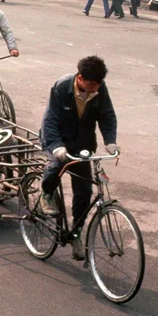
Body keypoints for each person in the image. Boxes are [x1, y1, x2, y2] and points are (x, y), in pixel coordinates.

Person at [39, 55, 119, 260]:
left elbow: (107, 115)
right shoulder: (62, 87)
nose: (95, 88)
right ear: (80, 78)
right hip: (57, 140)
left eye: (98, 84)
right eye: (92, 83)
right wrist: (57, 146)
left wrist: (110, 141)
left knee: (84, 192)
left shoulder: (99, 88)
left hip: (82, 145)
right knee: (56, 165)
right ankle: (46, 194)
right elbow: (50, 121)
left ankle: (76, 234)